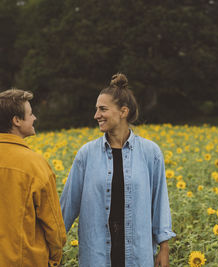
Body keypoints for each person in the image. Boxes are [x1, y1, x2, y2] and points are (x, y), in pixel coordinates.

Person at [60, 74, 176, 267]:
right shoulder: (86, 154)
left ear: (123, 112)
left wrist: (164, 247)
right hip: (96, 256)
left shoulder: (150, 152)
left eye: (102, 109)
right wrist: (48, 245)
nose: (96, 115)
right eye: (96, 109)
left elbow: (160, 202)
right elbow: (67, 206)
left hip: (137, 255)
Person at [0, 89, 66, 267]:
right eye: (30, 114)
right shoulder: (36, 164)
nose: (34, 118)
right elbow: (53, 225)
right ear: (16, 120)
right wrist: (54, 259)